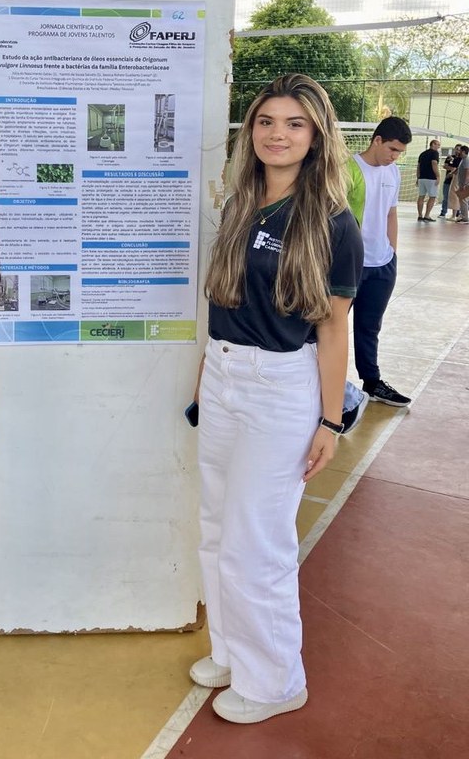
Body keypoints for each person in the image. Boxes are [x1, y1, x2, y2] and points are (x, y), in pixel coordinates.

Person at [189, 74, 363, 724]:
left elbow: (332, 326)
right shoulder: (242, 201)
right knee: (215, 525)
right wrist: (209, 370)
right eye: (266, 121)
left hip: (281, 388)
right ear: (251, 131)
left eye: (294, 124)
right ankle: (233, 651)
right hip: (226, 377)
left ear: (317, 135)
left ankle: (276, 681)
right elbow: (227, 300)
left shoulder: (331, 221)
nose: (278, 134)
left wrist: (328, 418)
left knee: (254, 542)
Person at [346, 117, 413, 407]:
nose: (395, 156)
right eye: (393, 149)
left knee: (369, 327)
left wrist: (392, 254)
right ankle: (316, 383)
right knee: (326, 327)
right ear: (377, 141)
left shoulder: (393, 172)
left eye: (399, 152)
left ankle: (372, 382)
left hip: (382, 265)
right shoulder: (347, 169)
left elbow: (391, 214)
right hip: (348, 266)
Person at [415, 138, 440, 222]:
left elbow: (418, 166)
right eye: (437, 144)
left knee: (421, 196)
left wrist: (418, 177)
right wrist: (438, 176)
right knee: (432, 197)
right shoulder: (434, 153)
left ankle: (420, 215)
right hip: (431, 178)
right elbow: (434, 163)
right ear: (432, 144)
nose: (438, 147)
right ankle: (427, 215)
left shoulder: (422, 154)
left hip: (422, 178)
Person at [439, 144, 461, 218]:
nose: (457, 150)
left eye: (459, 149)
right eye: (456, 149)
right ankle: (443, 212)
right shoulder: (449, 158)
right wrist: (453, 169)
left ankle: (457, 213)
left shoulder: (462, 159)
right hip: (448, 180)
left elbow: (459, 169)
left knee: (456, 197)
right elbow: (445, 166)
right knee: (446, 197)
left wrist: (453, 169)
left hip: (457, 182)